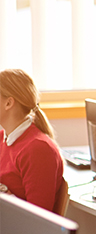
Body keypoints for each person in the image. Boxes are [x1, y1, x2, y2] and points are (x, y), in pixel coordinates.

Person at [0, 69, 63, 212]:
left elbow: (38, 218)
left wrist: (6, 197)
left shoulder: (38, 149)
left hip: (15, 232)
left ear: (9, 103)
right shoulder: (3, 138)